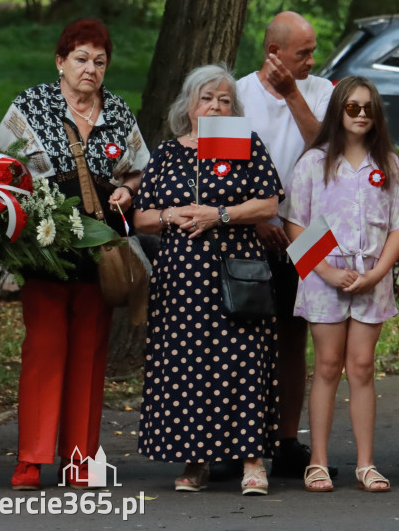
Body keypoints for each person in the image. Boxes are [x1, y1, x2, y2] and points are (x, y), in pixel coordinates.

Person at [0, 18, 150, 491]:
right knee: (43, 348)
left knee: (90, 349)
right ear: (60, 62)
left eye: (100, 62)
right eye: (81, 59)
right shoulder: (30, 106)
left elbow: (138, 170)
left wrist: (126, 190)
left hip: (101, 250)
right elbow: (0, 166)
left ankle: (80, 458)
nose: (91, 69)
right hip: (46, 246)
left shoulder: (118, 113)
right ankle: (31, 457)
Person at [134, 64, 283, 495]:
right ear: (189, 105)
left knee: (243, 360)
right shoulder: (167, 153)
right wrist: (170, 215)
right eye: (207, 98)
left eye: (224, 100)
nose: (215, 105)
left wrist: (218, 215)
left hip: (237, 271)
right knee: (188, 365)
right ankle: (195, 460)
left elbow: (269, 202)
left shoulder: (244, 145)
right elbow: (142, 216)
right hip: (182, 278)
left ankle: (252, 461)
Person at [282, 77, 399, 493]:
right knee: (326, 365)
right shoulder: (314, 162)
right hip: (325, 276)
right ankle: (317, 462)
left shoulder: (388, 164)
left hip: (370, 277)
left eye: (368, 108)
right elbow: (294, 223)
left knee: (361, 367)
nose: (361, 115)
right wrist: (325, 271)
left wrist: (379, 275)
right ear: (338, 112)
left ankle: (366, 463)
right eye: (352, 107)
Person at [235, 11, 335, 479]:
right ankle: (239, 438)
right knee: (242, 335)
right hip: (248, 230)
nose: (312, 60)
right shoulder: (236, 94)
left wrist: (293, 93)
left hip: (310, 231)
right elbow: (223, 171)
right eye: (303, 53)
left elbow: (327, 150)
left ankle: (288, 439)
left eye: (313, 50)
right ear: (273, 53)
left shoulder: (321, 91)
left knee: (297, 336)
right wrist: (255, 220)